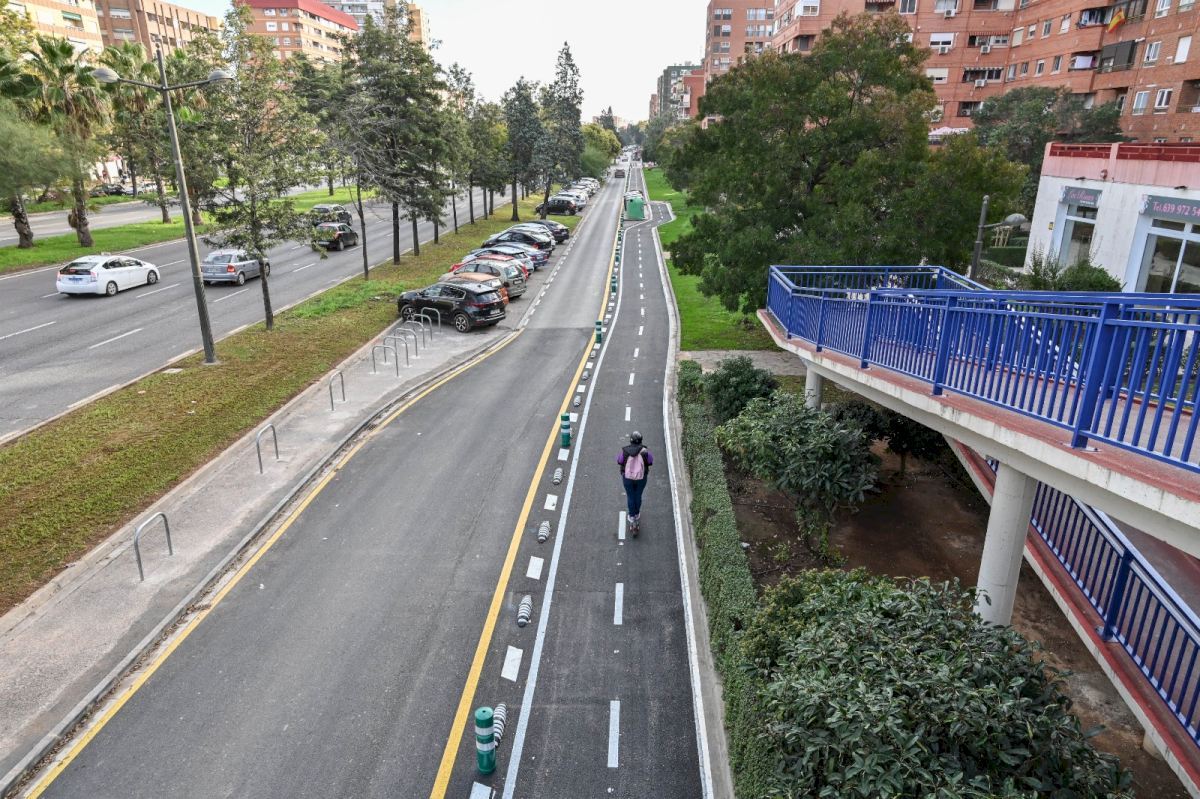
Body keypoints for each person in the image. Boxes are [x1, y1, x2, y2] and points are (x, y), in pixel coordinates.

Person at [617, 431, 653, 536]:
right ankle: (636, 514)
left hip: (627, 478)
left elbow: (619, 461)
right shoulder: (645, 452)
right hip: (641, 478)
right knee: (638, 495)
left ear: (631, 440)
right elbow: (650, 461)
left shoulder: (625, 451)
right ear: (641, 440)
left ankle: (632, 517)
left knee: (630, 496)